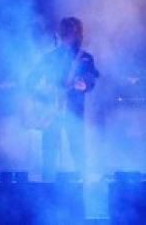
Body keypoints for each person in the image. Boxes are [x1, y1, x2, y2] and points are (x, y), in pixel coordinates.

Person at [27, 17, 100, 180]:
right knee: (49, 150)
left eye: (78, 33)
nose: (78, 36)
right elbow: (30, 81)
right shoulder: (50, 58)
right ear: (63, 34)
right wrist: (43, 96)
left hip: (74, 111)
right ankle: (48, 185)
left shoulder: (85, 58)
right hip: (51, 112)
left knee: (77, 148)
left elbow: (91, 80)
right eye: (73, 33)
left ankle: (81, 182)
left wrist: (85, 85)